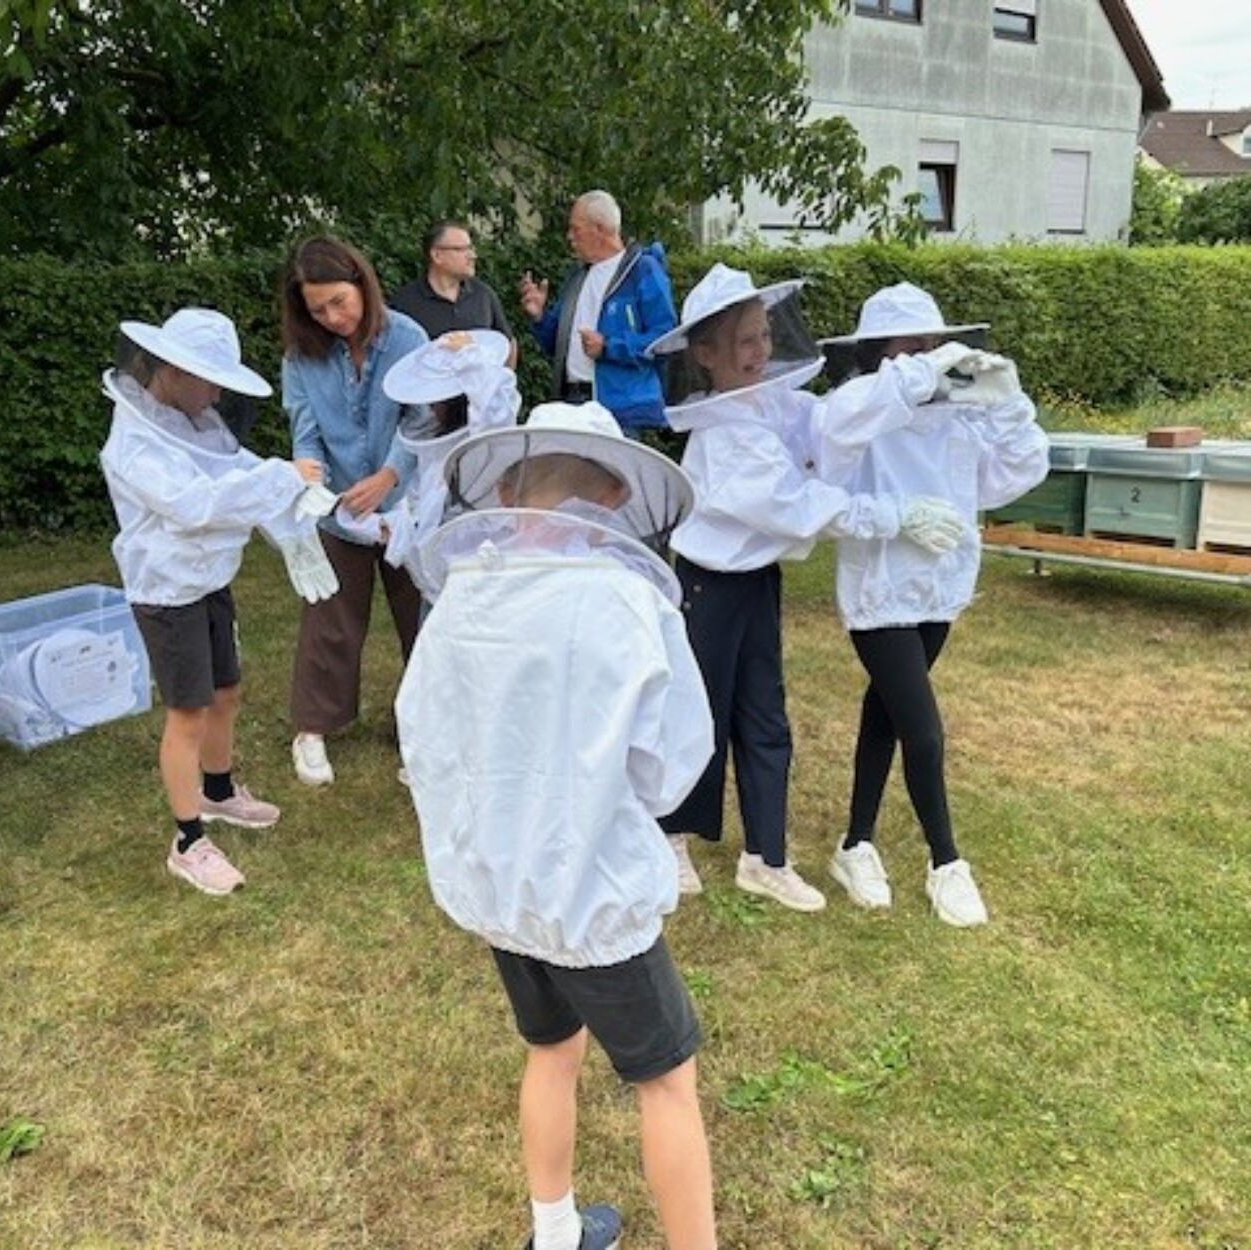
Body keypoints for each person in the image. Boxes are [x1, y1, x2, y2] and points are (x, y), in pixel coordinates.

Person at [397, 401, 719, 1250]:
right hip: (592, 896)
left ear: (507, 488)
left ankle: (555, 1230)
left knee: (552, 1049)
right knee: (667, 1082)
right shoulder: (625, 602)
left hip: (499, 887)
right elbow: (670, 763)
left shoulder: (464, 597)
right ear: (615, 494)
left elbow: (424, 735)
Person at [645, 264, 966, 908]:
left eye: (764, 336)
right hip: (705, 586)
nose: (761, 350)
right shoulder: (721, 432)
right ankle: (671, 837)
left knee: (766, 714)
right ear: (704, 354)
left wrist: (909, 380)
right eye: (744, 342)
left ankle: (766, 856)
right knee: (698, 712)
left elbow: (830, 423)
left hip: (757, 582)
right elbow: (796, 502)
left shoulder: (773, 402)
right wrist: (892, 516)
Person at [818, 282, 1049, 927]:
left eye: (929, 344)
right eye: (905, 346)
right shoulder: (853, 411)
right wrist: (895, 520)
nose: (920, 357)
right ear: (876, 353)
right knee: (922, 729)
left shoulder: (960, 415)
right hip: (879, 591)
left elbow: (1019, 470)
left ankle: (855, 844)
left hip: (940, 587)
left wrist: (1007, 404)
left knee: (886, 713)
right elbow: (825, 497)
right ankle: (946, 862)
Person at [101, 308, 339, 897]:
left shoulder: (197, 420)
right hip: (166, 591)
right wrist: (280, 479)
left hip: (207, 581)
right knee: (187, 712)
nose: (214, 392)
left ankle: (217, 790)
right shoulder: (134, 443)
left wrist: (296, 506)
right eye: (206, 378)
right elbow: (197, 503)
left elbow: (236, 467)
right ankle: (187, 841)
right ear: (170, 370)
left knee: (226, 691)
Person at [281, 235, 428, 788]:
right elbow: (306, 429)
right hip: (337, 509)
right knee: (329, 617)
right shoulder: (301, 355)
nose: (332, 317)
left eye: (339, 302)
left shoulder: (409, 337)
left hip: (406, 505)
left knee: (421, 618)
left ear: (362, 285)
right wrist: (308, 470)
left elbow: (425, 418)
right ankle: (313, 729)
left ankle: (426, 728)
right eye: (317, 309)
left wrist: (391, 474)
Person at [373, 329, 521, 598]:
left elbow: (494, 418)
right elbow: (424, 508)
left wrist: (471, 362)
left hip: (483, 585)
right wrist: (386, 525)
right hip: (443, 586)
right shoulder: (436, 454)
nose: (430, 409)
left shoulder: (485, 452)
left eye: (436, 401)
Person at [517, 190, 675, 434]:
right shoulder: (577, 277)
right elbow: (557, 346)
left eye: (575, 229)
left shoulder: (643, 270)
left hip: (621, 413)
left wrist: (609, 347)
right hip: (572, 407)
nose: (570, 237)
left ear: (599, 229)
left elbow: (665, 340)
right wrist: (539, 316)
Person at [388, 221, 519, 368]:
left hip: (477, 391)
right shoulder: (405, 302)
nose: (473, 256)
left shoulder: (483, 295)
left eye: (471, 248)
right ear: (437, 255)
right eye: (462, 249)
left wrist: (501, 383)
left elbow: (508, 343)